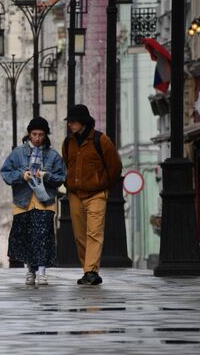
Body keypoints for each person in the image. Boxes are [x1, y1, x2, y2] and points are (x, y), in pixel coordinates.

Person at [1, 116, 67, 285]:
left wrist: (47, 176)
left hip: (45, 202)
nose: (37, 138)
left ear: (46, 135)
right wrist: (21, 175)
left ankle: (43, 272)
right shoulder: (17, 153)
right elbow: (5, 172)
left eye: (41, 134)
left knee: (43, 236)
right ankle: (30, 270)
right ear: (29, 134)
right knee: (26, 237)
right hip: (23, 202)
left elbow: (61, 177)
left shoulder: (53, 156)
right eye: (34, 134)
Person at [62, 104, 122, 285]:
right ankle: (87, 269)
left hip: (96, 193)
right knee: (80, 235)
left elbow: (115, 167)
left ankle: (91, 271)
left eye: (73, 121)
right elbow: (67, 164)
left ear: (83, 122)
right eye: (69, 121)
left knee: (94, 233)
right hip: (75, 194)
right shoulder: (68, 142)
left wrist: (104, 186)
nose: (70, 125)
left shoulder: (101, 140)